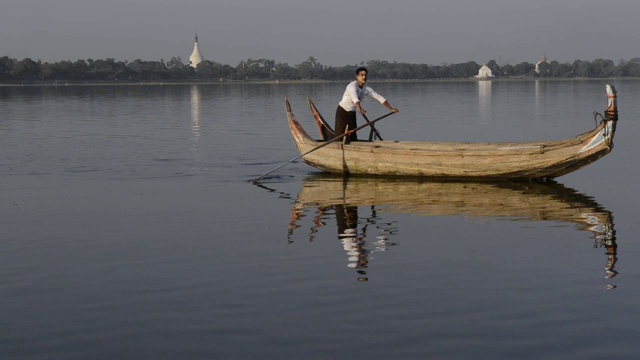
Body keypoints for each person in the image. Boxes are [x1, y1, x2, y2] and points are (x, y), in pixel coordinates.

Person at [335, 67, 399, 142]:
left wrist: (391, 109)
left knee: (353, 135)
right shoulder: (351, 86)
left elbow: (379, 97)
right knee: (339, 136)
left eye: (365, 75)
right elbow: (355, 99)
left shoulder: (366, 89)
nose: (364, 77)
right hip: (342, 111)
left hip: (352, 112)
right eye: (361, 75)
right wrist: (360, 109)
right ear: (357, 76)